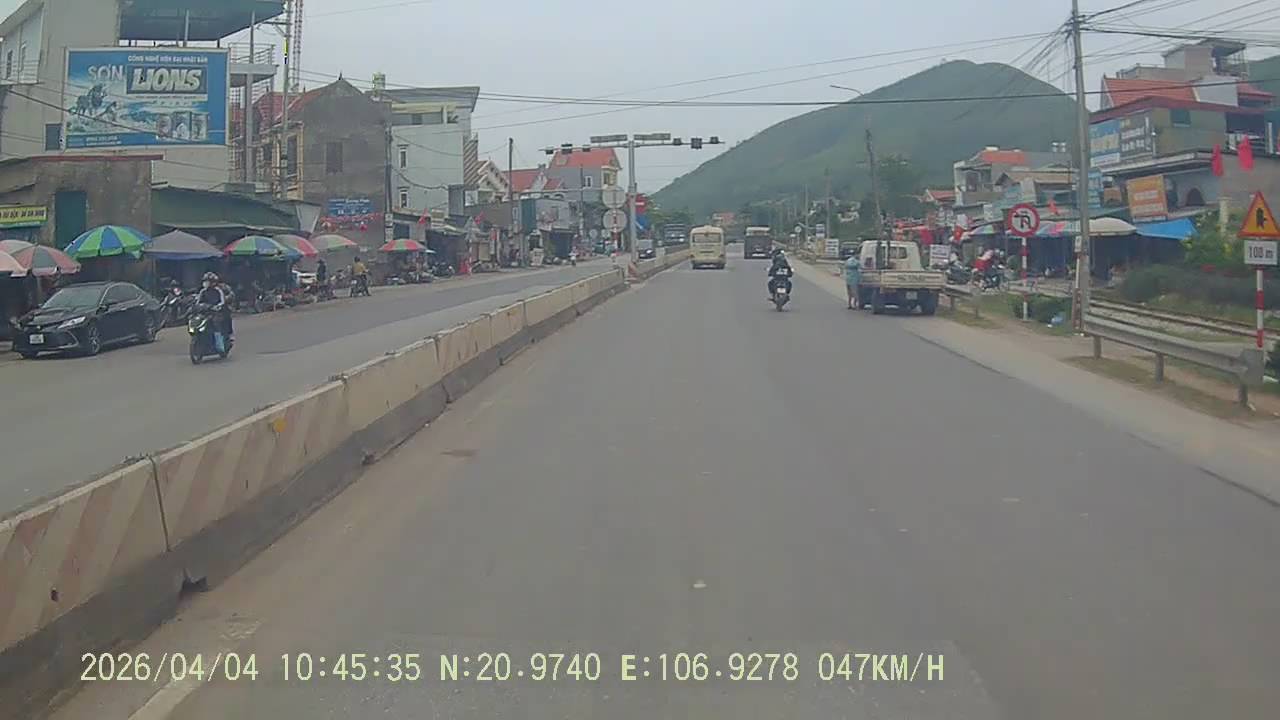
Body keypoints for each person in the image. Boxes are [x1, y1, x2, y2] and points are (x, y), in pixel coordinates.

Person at [197, 271, 233, 340]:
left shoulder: (219, 290)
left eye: (207, 281)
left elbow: (223, 301)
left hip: (217, 311)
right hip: (206, 311)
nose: (205, 283)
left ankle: (221, 340)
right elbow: (198, 302)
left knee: (218, 323)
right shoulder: (203, 291)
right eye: (205, 281)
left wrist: (218, 306)